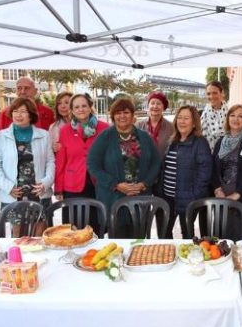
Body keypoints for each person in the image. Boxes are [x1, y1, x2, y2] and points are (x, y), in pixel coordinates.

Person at [87, 98, 161, 230]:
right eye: (118, 113)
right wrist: (115, 184)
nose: (122, 116)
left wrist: (145, 183)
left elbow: (156, 162)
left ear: (132, 115)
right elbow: (93, 165)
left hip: (140, 197)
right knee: (117, 237)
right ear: (113, 116)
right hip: (113, 198)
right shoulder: (104, 137)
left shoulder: (145, 137)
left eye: (126, 112)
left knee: (139, 237)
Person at [0, 98, 55, 212]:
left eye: (23, 111)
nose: (18, 115)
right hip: (12, 194)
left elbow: (50, 161)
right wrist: (7, 187)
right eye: (15, 111)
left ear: (31, 115)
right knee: (14, 224)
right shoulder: (1, 136)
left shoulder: (44, 135)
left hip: (39, 192)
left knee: (41, 223)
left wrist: (46, 183)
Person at [159, 105, 212, 238]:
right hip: (168, 198)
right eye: (180, 118)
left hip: (188, 199)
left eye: (186, 118)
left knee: (187, 235)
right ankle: (169, 252)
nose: (182, 121)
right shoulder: (173, 141)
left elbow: (205, 173)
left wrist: (194, 196)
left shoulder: (200, 143)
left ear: (194, 123)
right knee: (164, 233)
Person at [211, 104, 242, 239]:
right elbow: (213, 168)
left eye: (240, 116)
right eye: (232, 115)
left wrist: (237, 194)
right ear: (228, 119)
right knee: (221, 242)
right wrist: (217, 190)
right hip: (222, 200)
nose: (236, 119)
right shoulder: (220, 142)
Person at [54, 93, 109, 202]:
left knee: (99, 213)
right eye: (76, 107)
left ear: (90, 107)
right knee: (74, 214)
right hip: (72, 185)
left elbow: (110, 158)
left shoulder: (105, 128)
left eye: (84, 106)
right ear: (72, 110)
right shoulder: (65, 131)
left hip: (99, 184)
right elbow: (61, 161)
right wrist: (58, 188)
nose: (81, 109)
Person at [136, 90, 174, 158]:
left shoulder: (171, 127)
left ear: (163, 107)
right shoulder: (139, 125)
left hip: (163, 164)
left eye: (158, 104)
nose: (155, 106)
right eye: (152, 103)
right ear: (148, 105)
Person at [200, 80, 228, 151]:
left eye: (215, 93)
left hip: (227, 153)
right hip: (206, 153)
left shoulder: (231, 113)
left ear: (222, 93)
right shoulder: (202, 114)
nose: (211, 96)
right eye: (208, 94)